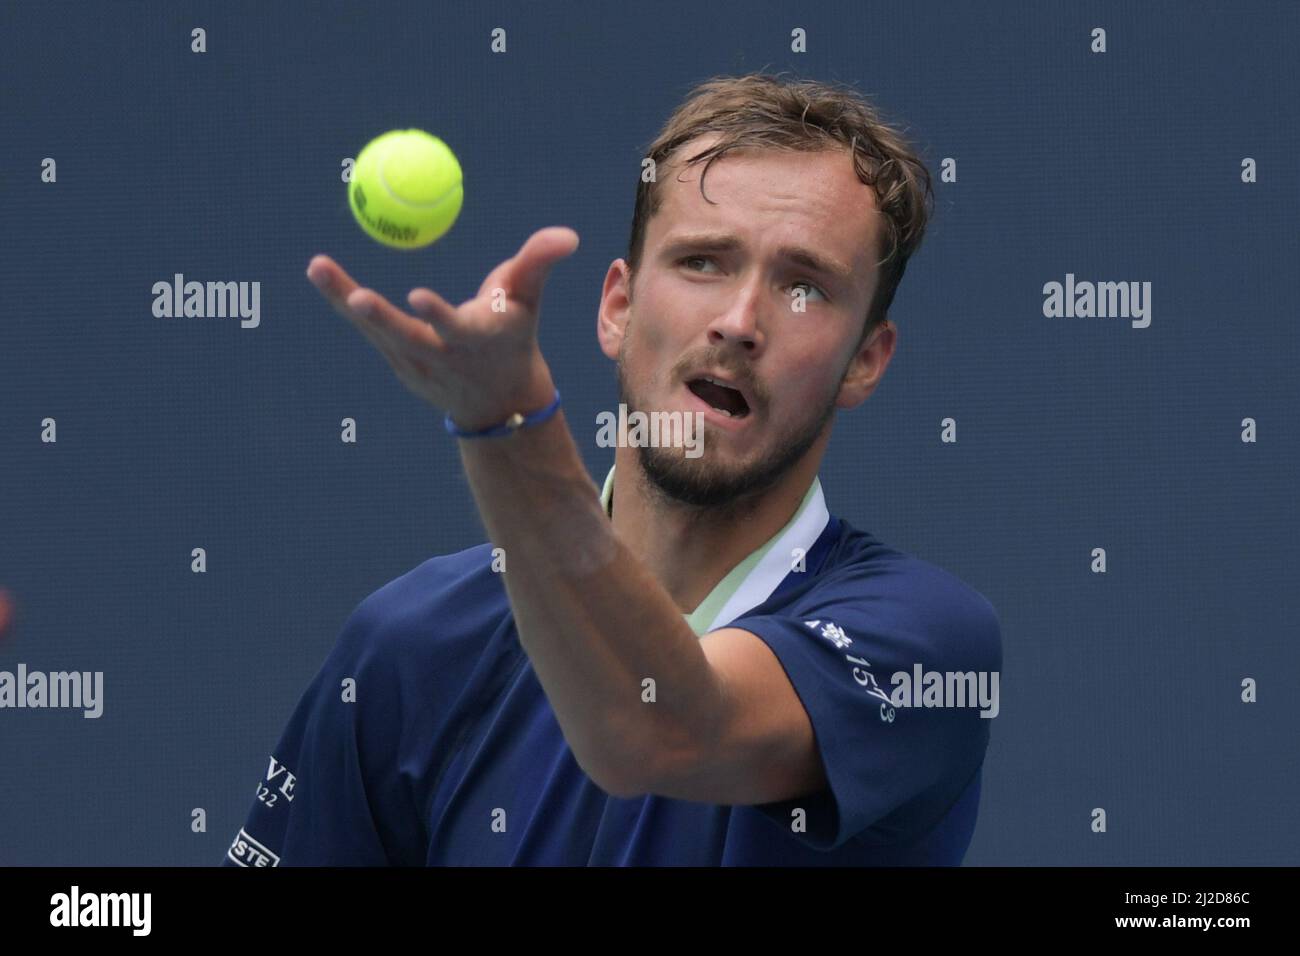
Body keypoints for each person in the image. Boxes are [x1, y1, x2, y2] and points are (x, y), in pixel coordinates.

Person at [223, 72, 1001, 867]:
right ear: (617, 309)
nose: (738, 323)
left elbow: (658, 729)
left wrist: (510, 429)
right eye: (703, 262)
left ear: (865, 361)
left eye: (804, 288)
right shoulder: (413, 645)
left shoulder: (925, 645)